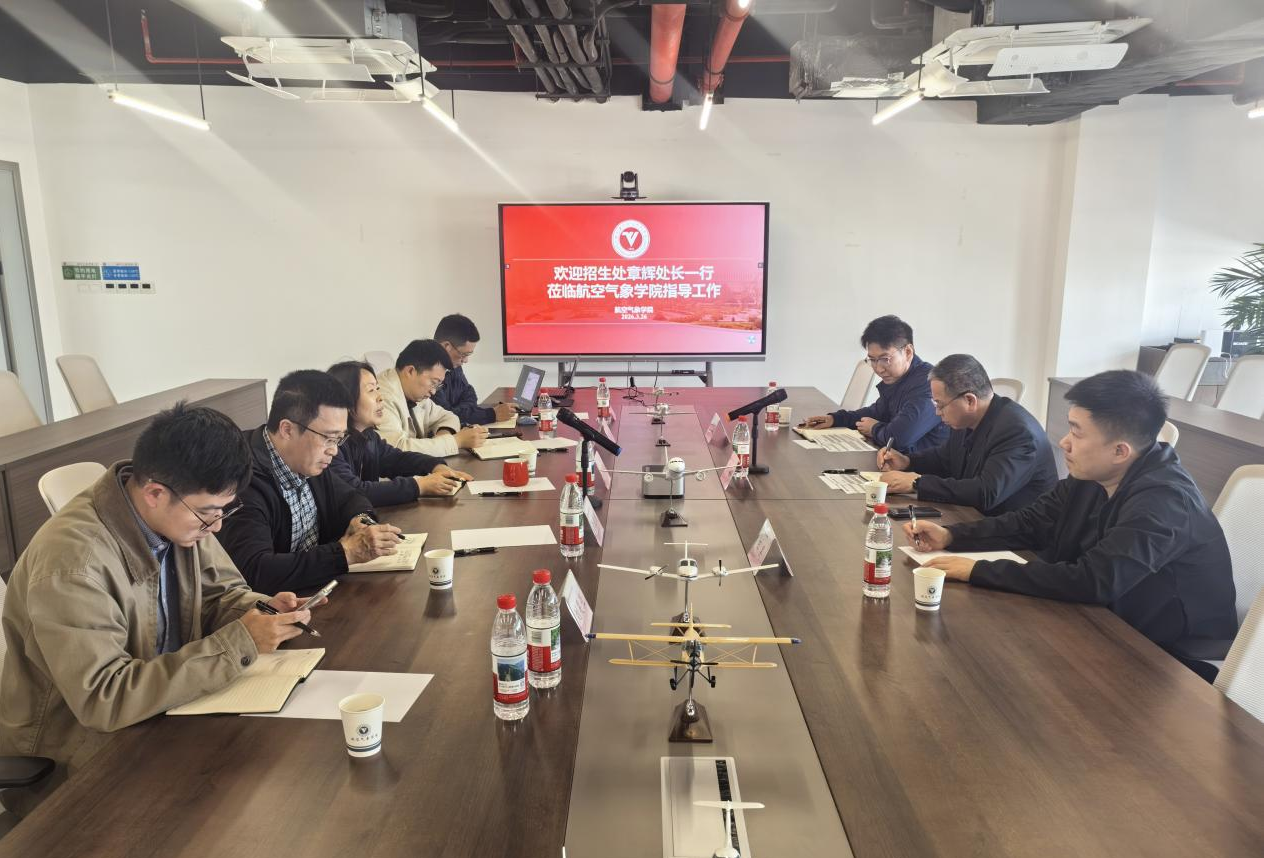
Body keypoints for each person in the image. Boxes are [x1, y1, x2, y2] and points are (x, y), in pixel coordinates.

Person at [0, 403, 320, 813]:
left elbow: (219, 594)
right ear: (154, 493)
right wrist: (240, 642)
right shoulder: (73, 564)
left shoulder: (179, 516)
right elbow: (104, 698)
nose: (217, 526)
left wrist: (262, 610)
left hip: (161, 714)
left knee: (268, 779)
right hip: (79, 759)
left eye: (224, 511)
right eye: (209, 514)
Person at [907, 370, 1237, 677]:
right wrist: (951, 535)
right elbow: (1031, 522)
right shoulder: (1095, 473)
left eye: (1077, 433)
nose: (1064, 442)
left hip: (1171, 659)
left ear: (1120, 451)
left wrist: (977, 570)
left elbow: (1094, 579)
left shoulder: (1165, 501)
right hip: (1104, 622)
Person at [218, 370, 402, 595]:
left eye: (339, 438)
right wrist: (345, 554)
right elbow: (256, 571)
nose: (334, 450)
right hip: (277, 606)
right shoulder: (242, 480)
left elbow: (351, 496)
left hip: (318, 591)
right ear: (287, 429)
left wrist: (361, 521)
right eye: (328, 438)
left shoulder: (308, 459)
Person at [877, 354, 1057, 515]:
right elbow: (944, 458)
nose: (937, 412)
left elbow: (986, 492)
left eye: (941, 405)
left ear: (970, 400)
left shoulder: (1017, 432)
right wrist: (907, 461)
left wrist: (917, 483)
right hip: (973, 519)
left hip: (1017, 536)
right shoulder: (966, 419)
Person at [327, 360, 473, 506]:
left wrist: (435, 466)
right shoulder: (330, 446)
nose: (380, 397)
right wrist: (419, 486)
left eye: (378, 388)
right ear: (345, 399)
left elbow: (396, 459)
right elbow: (356, 491)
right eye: (371, 390)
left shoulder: (368, 436)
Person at [802, 315, 948, 454]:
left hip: (924, 468)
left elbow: (898, 439)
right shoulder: (900, 378)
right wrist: (835, 419)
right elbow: (877, 412)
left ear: (908, 352)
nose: (878, 369)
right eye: (872, 360)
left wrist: (874, 428)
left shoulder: (929, 384)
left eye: (885, 359)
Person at [377, 339, 488, 457]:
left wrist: (443, 436)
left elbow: (448, 416)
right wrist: (456, 441)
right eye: (433, 382)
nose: (433, 391)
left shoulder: (413, 391)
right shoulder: (381, 397)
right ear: (410, 371)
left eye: (437, 385)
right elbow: (397, 449)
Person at [431, 313, 518, 425]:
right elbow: (446, 417)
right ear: (446, 346)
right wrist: (491, 414)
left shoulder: (454, 365)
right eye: (463, 354)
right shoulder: (427, 373)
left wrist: (461, 412)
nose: (465, 360)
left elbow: (468, 392)